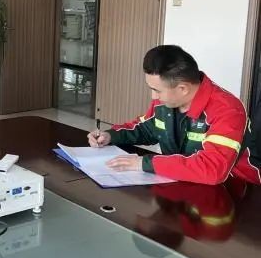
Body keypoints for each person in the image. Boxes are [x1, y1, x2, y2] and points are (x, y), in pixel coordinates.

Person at [87, 45, 261, 185]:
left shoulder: (227, 110)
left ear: (183, 88)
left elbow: (212, 169)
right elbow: (146, 129)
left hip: (235, 193)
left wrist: (144, 163)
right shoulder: (166, 102)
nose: (153, 96)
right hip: (181, 185)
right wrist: (110, 135)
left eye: (157, 90)